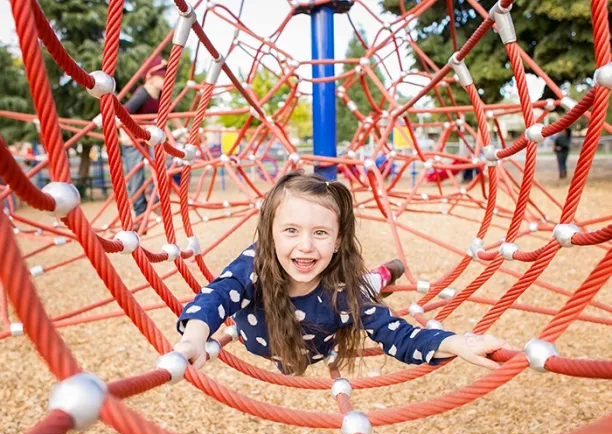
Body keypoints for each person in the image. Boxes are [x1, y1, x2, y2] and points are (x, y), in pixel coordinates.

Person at [174, 171, 510, 375]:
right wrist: (193, 338)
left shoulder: (342, 291)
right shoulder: (255, 264)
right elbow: (216, 296)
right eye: (291, 230)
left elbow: (396, 333)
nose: (305, 246)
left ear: (337, 241)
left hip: (326, 335)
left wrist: (458, 343)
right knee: (365, 286)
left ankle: (384, 274)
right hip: (268, 343)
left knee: (365, 288)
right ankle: (380, 276)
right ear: (270, 234)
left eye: (320, 233)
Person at [120, 56, 181, 219]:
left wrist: (182, 129)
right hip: (134, 140)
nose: (164, 79)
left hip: (149, 139)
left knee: (161, 167)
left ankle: (157, 202)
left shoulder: (161, 96)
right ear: (150, 77)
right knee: (136, 175)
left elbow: (171, 112)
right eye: (161, 76)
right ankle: (140, 212)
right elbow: (122, 114)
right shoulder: (142, 93)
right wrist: (124, 134)